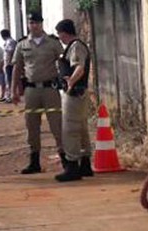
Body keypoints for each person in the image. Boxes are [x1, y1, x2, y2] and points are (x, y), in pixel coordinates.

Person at [12, 12, 64, 174]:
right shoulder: (22, 44)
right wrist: (13, 89)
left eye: (37, 22)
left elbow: (63, 62)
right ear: (28, 24)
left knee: (57, 125)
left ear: (42, 24)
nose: (34, 25)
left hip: (50, 89)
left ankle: (66, 160)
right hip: (31, 90)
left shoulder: (53, 43)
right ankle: (34, 161)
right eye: (31, 22)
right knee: (32, 126)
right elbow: (17, 67)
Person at [53, 19, 93, 181]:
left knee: (70, 130)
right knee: (81, 129)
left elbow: (79, 68)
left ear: (64, 33)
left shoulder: (76, 46)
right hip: (78, 93)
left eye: (59, 34)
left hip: (74, 94)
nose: (59, 38)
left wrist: (70, 82)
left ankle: (72, 165)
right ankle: (85, 164)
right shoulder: (75, 46)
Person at [0, 29, 16, 102]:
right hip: (7, 63)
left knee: (9, 80)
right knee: (7, 80)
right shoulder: (7, 42)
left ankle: (10, 96)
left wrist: (9, 62)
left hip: (9, 64)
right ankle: (7, 95)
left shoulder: (10, 41)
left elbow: (11, 52)